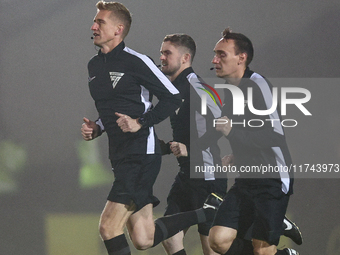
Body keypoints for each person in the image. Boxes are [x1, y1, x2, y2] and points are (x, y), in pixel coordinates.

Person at [81, 2, 221, 255]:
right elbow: (110, 109)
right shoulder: (93, 66)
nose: (93, 26)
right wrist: (98, 127)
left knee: (108, 227)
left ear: (118, 29)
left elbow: (172, 98)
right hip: (120, 155)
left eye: (100, 22)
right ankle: (206, 212)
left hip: (140, 156)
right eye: (94, 21)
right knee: (144, 238)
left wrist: (141, 123)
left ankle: (207, 212)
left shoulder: (137, 61)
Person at [208, 28, 300, 255]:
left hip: (272, 179)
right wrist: (236, 154)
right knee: (218, 241)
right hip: (247, 178)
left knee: (262, 252)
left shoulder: (257, 85)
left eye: (221, 54)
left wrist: (232, 134)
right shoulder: (230, 90)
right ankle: (279, 231)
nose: (214, 60)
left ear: (242, 58)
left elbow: (274, 135)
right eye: (215, 54)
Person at [158, 34, 228, 255]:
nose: (162, 57)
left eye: (167, 53)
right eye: (162, 52)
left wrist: (192, 149)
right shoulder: (172, 90)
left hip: (207, 177)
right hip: (186, 175)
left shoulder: (199, 86)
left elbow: (224, 123)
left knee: (213, 248)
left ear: (185, 57)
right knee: (169, 236)